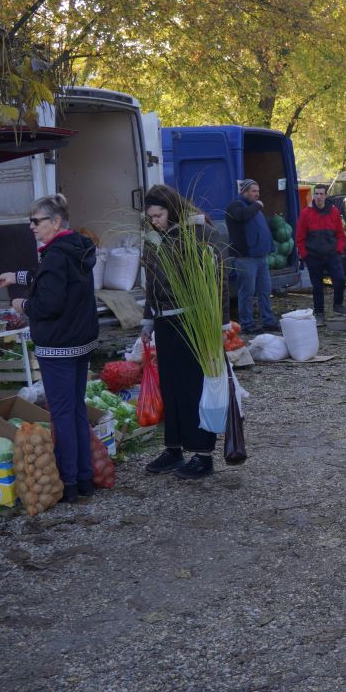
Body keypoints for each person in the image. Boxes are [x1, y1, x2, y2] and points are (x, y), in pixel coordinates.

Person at [0, 196, 98, 503]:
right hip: (80, 341)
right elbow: (55, 280)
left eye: (36, 221)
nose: (31, 227)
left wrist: (22, 304)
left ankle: (69, 482)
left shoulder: (54, 256)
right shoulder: (76, 247)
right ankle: (84, 478)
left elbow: (48, 303)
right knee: (76, 410)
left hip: (59, 346)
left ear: (55, 222)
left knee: (62, 414)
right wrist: (17, 276)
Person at [139, 185, 221, 480]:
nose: (155, 221)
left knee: (193, 389)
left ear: (172, 210)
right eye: (150, 217)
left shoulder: (198, 233)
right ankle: (173, 449)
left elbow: (217, 280)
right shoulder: (152, 237)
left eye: (159, 215)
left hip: (192, 320)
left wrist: (219, 323)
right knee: (171, 388)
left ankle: (203, 454)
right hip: (163, 321)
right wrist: (147, 321)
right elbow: (151, 282)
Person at [225, 179, 278, 334]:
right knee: (247, 293)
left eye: (258, 191)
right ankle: (247, 325)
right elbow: (242, 217)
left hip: (261, 258)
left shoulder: (253, 208)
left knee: (264, 291)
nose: (257, 194)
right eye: (254, 191)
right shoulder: (236, 206)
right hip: (245, 258)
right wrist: (257, 205)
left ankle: (268, 322)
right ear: (244, 192)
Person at [295, 184, 346, 323]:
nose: (318, 197)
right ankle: (319, 313)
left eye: (321, 194)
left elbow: (341, 234)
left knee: (340, 279)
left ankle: (338, 305)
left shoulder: (334, 212)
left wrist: (339, 250)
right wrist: (305, 255)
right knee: (317, 286)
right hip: (313, 256)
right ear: (313, 195)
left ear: (325, 195)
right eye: (316, 194)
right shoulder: (306, 212)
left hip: (332, 254)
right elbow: (300, 237)